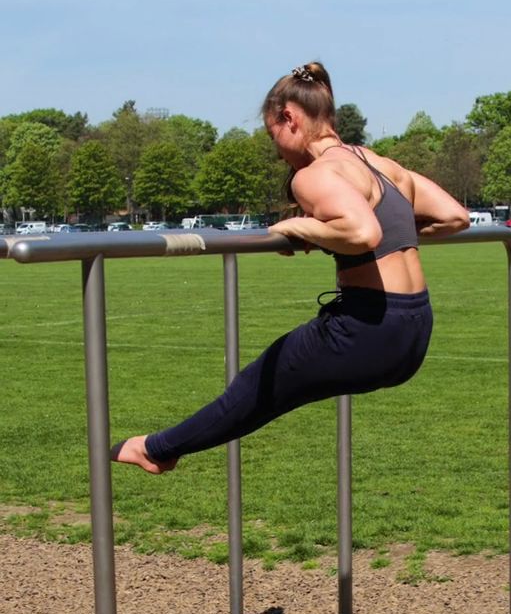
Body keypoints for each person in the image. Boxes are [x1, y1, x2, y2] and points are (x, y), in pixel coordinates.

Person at [112, 62, 469, 474]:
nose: (277, 149)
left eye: (272, 135)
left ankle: (156, 450)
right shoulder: (381, 164)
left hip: (367, 330)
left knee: (258, 386)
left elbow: (363, 232)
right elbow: (453, 216)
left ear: (290, 118)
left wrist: (301, 225)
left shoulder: (315, 175)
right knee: (274, 385)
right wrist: (381, 235)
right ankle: (161, 449)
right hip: (416, 329)